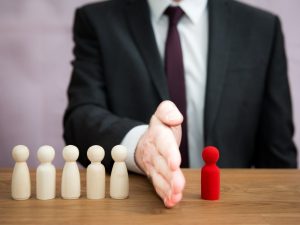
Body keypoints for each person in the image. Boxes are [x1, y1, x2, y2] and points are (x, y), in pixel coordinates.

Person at [63, 0, 298, 207]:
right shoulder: (97, 21)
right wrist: (141, 145)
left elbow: (278, 153)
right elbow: (81, 120)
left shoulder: (261, 28)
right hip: (134, 209)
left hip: (231, 210)